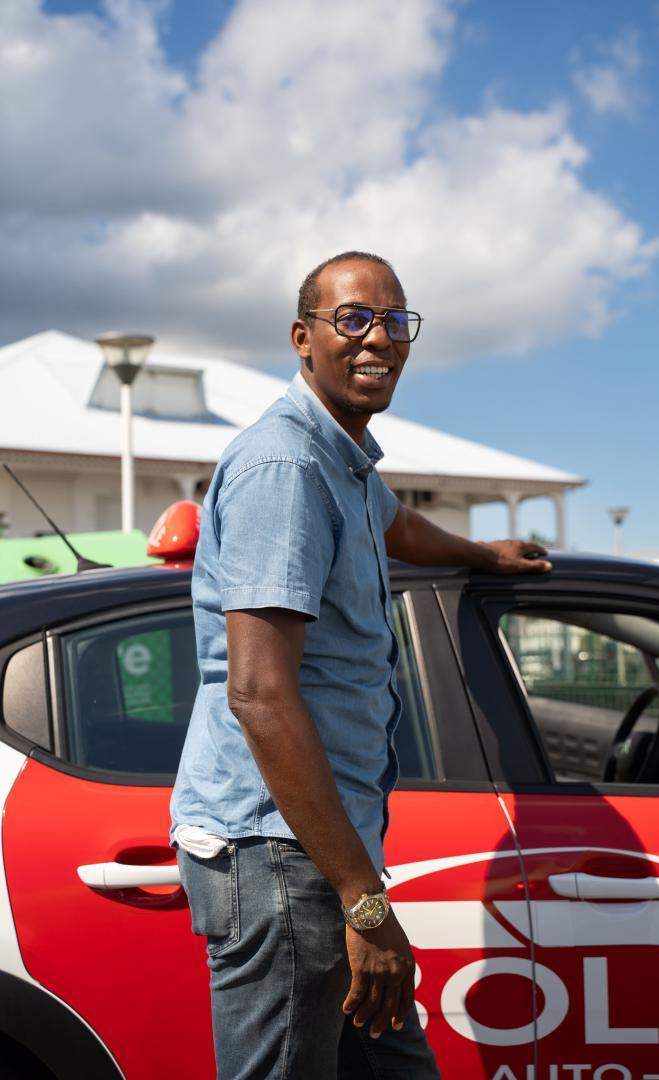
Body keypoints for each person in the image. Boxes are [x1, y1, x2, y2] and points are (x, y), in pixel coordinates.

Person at [170, 251, 552, 1079]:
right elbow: (261, 695)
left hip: (321, 850)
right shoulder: (287, 466)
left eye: (393, 320)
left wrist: (482, 552)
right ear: (303, 339)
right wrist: (364, 900)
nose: (377, 337)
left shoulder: (341, 460)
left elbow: (396, 527)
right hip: (281, 856)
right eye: (353, 319)